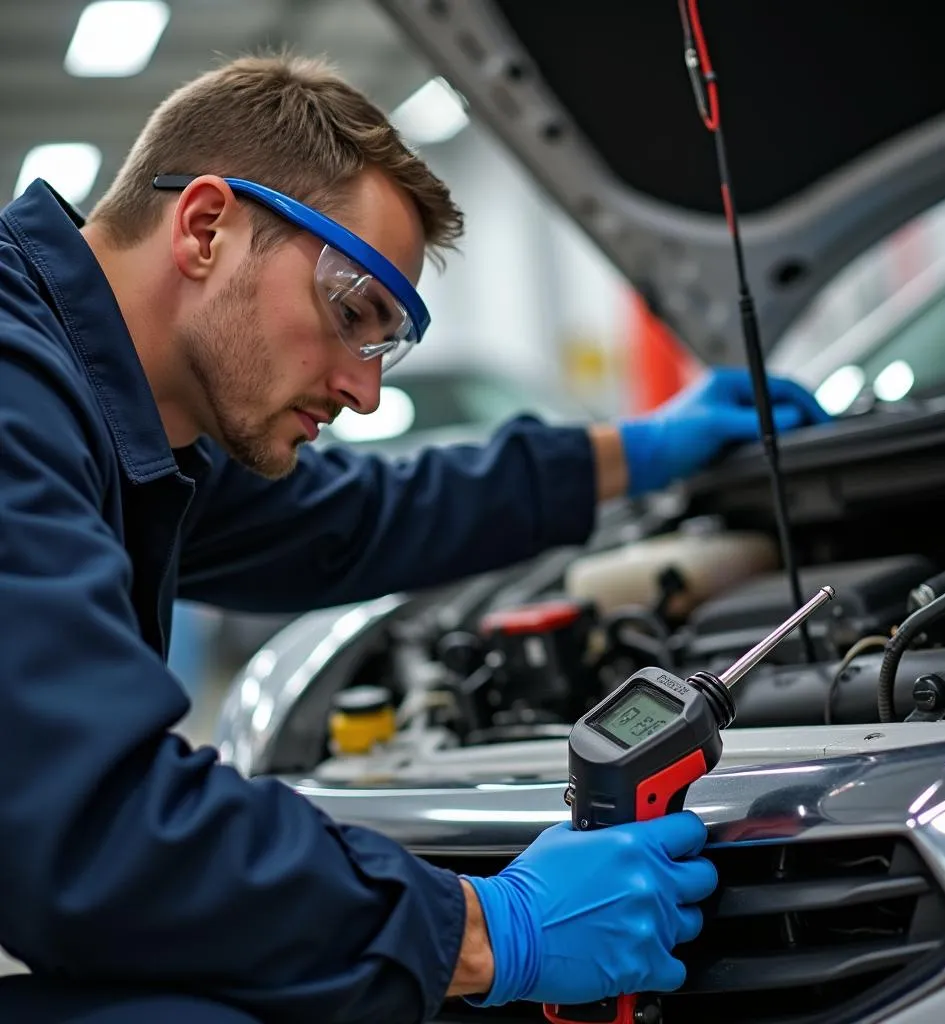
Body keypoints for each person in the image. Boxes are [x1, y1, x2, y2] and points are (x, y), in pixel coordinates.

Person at [0, 53, 829, 1024]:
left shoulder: (130, 422)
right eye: (351, 313)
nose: (365, 388)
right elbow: (95, 829)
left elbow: (356, 519)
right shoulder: (18, 394)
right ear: (205, 226)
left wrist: (637, 452)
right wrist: (483, 930)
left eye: (386, 341)